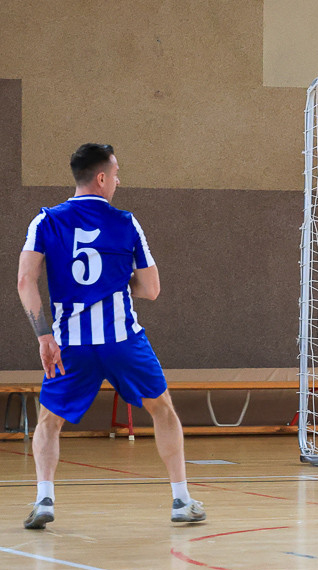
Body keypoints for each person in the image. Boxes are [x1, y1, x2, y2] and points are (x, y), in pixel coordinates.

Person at [16, 143, 206, 529]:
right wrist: (115, 283)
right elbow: (151, 288)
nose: (118, 181)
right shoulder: (126, 222)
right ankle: (182, 499)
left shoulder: (46, 221)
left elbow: (25, 281)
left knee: (49, 420)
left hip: (71, 345)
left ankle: (44, 500)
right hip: (123, 342)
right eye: (116, 174)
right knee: (162, 410)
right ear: (101, 178)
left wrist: (43, 336)